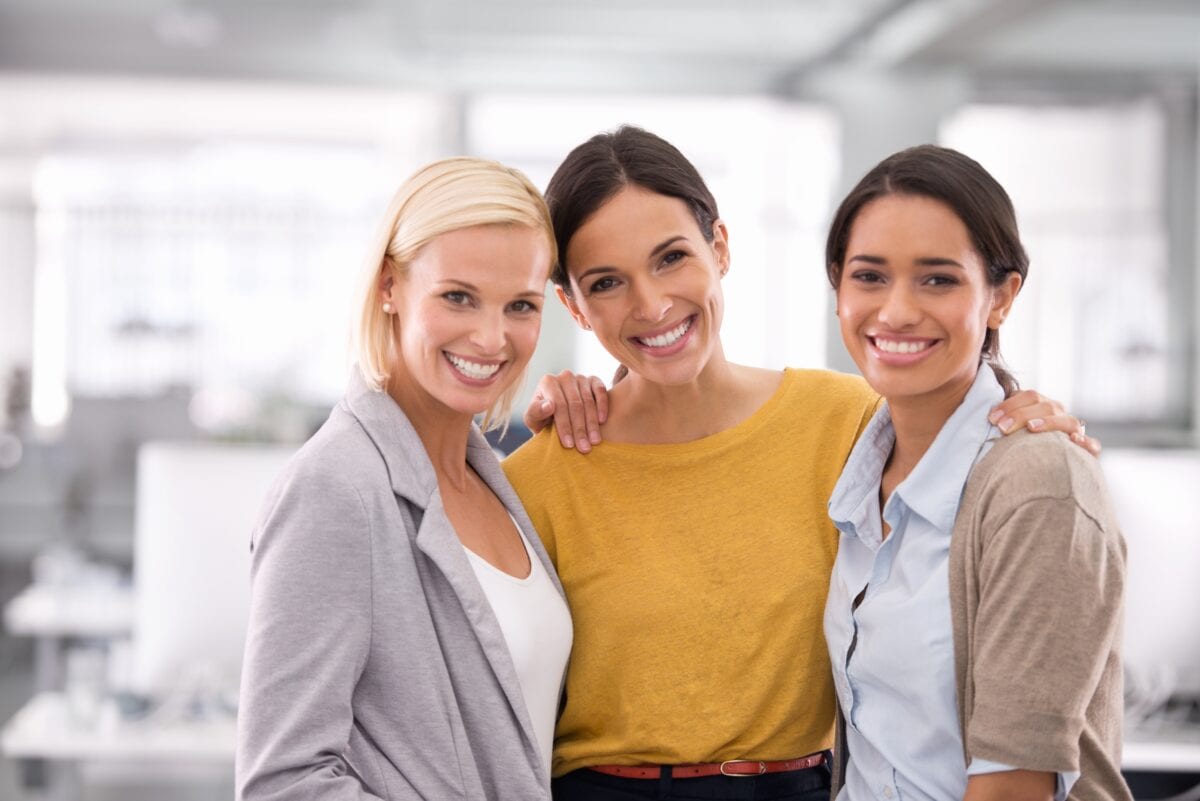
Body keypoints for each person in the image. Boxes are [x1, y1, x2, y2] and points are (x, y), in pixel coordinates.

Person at [502, 126, 1094, 801]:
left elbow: (956, 402)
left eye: (671, 258)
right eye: (607, 282)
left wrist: (1029, 410)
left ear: (719, 247)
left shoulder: (850, 422)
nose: (652, 303)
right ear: (573, 305)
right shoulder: (540, 476)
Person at [236, 157, 573, 801]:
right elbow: (283, 784)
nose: (492, 337)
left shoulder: (496, 481)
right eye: (458, 297)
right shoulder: (336, 489)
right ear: (390, 286)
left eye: (520, 305)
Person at [821, 145, 1129, 801]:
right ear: (838, 287)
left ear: (1001, 296)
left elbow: (1013, 789)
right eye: (870, 276)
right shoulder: (860, 464)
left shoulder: (1038, 486)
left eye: (937, 279)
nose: (897, 311)